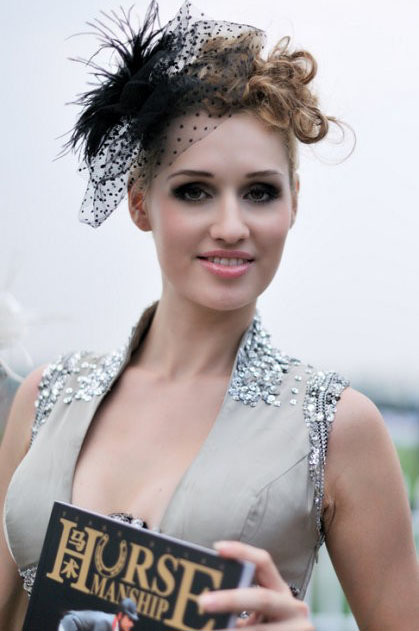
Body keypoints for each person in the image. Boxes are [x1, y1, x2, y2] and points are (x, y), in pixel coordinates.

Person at [1, 2, 418, 630]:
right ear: (141, 203)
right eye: (194, 190)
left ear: (293, 203)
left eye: (259, 192)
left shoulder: (338, 429)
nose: (230, 226)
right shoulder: (45, 399)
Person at [58, 598, 138, 631]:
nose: (131, 624)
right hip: (70, 624)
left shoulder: (115, 626)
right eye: (129, 619)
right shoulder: (106, 622)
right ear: (120, 615)